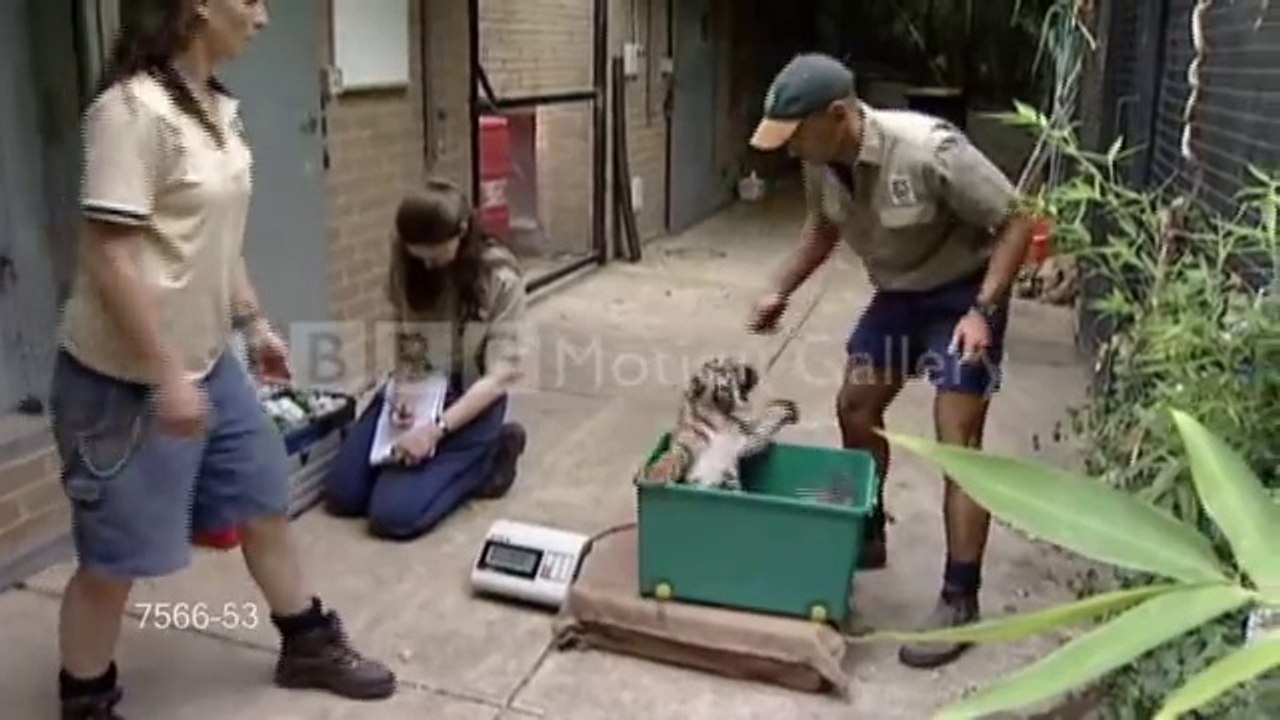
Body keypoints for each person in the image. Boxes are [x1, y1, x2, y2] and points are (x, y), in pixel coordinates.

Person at [51, 2, 396, 717]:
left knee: (264, 496)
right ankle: (85, 699)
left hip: (207, 363)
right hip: (124, 383)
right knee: (115, 560)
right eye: (253, 1)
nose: (264, 18)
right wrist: (166, 373)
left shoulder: (216, 111)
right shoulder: (131, 110)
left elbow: (216, 239)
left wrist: (253, 322)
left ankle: (305, 642)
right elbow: (110, 254)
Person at [746, 53, 1033, 669]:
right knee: (855, 406)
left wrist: (983, 312)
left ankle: (960, 597)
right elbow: (822, 230)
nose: (791, 150)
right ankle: (868, 528)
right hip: (901, 294)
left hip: (965, 292)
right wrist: (781, 289)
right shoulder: (822, 164)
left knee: (956, 438)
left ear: (838, 115)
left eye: (797, 135)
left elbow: (1017, 221)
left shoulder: (927, 149)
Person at [323, 179, 529, 540]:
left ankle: (490, 456)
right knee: (344, 495)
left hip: (470, 395)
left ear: (462, 232)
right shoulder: (410, 266)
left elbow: (500, 376)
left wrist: (434, 430)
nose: (427, 263)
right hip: (422, 383)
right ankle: (418, 465)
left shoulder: (499, 277)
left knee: (392, 516)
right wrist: (405, 392)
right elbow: (409, 336)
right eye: (417, 254)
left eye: (434, 253)